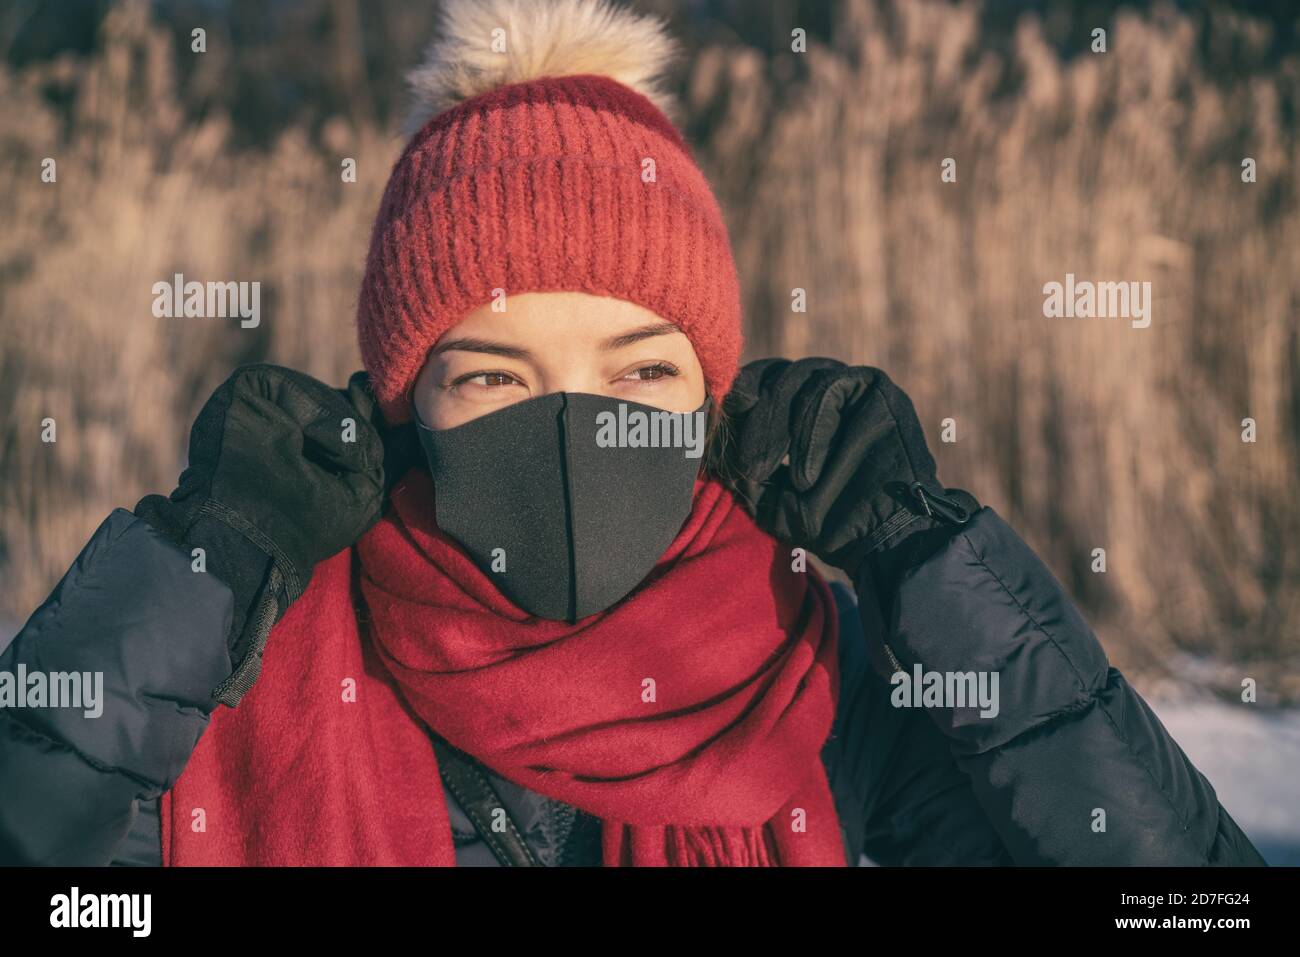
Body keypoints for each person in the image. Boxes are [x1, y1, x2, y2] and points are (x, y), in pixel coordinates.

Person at [0, 0, 1265, 867]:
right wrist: (200, 567)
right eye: (493, 379)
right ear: (396, 414)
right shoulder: (232, 689)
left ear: (712, 411)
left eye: (639, 370)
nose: (568, 436)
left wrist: (924, 557)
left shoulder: (817, 692)